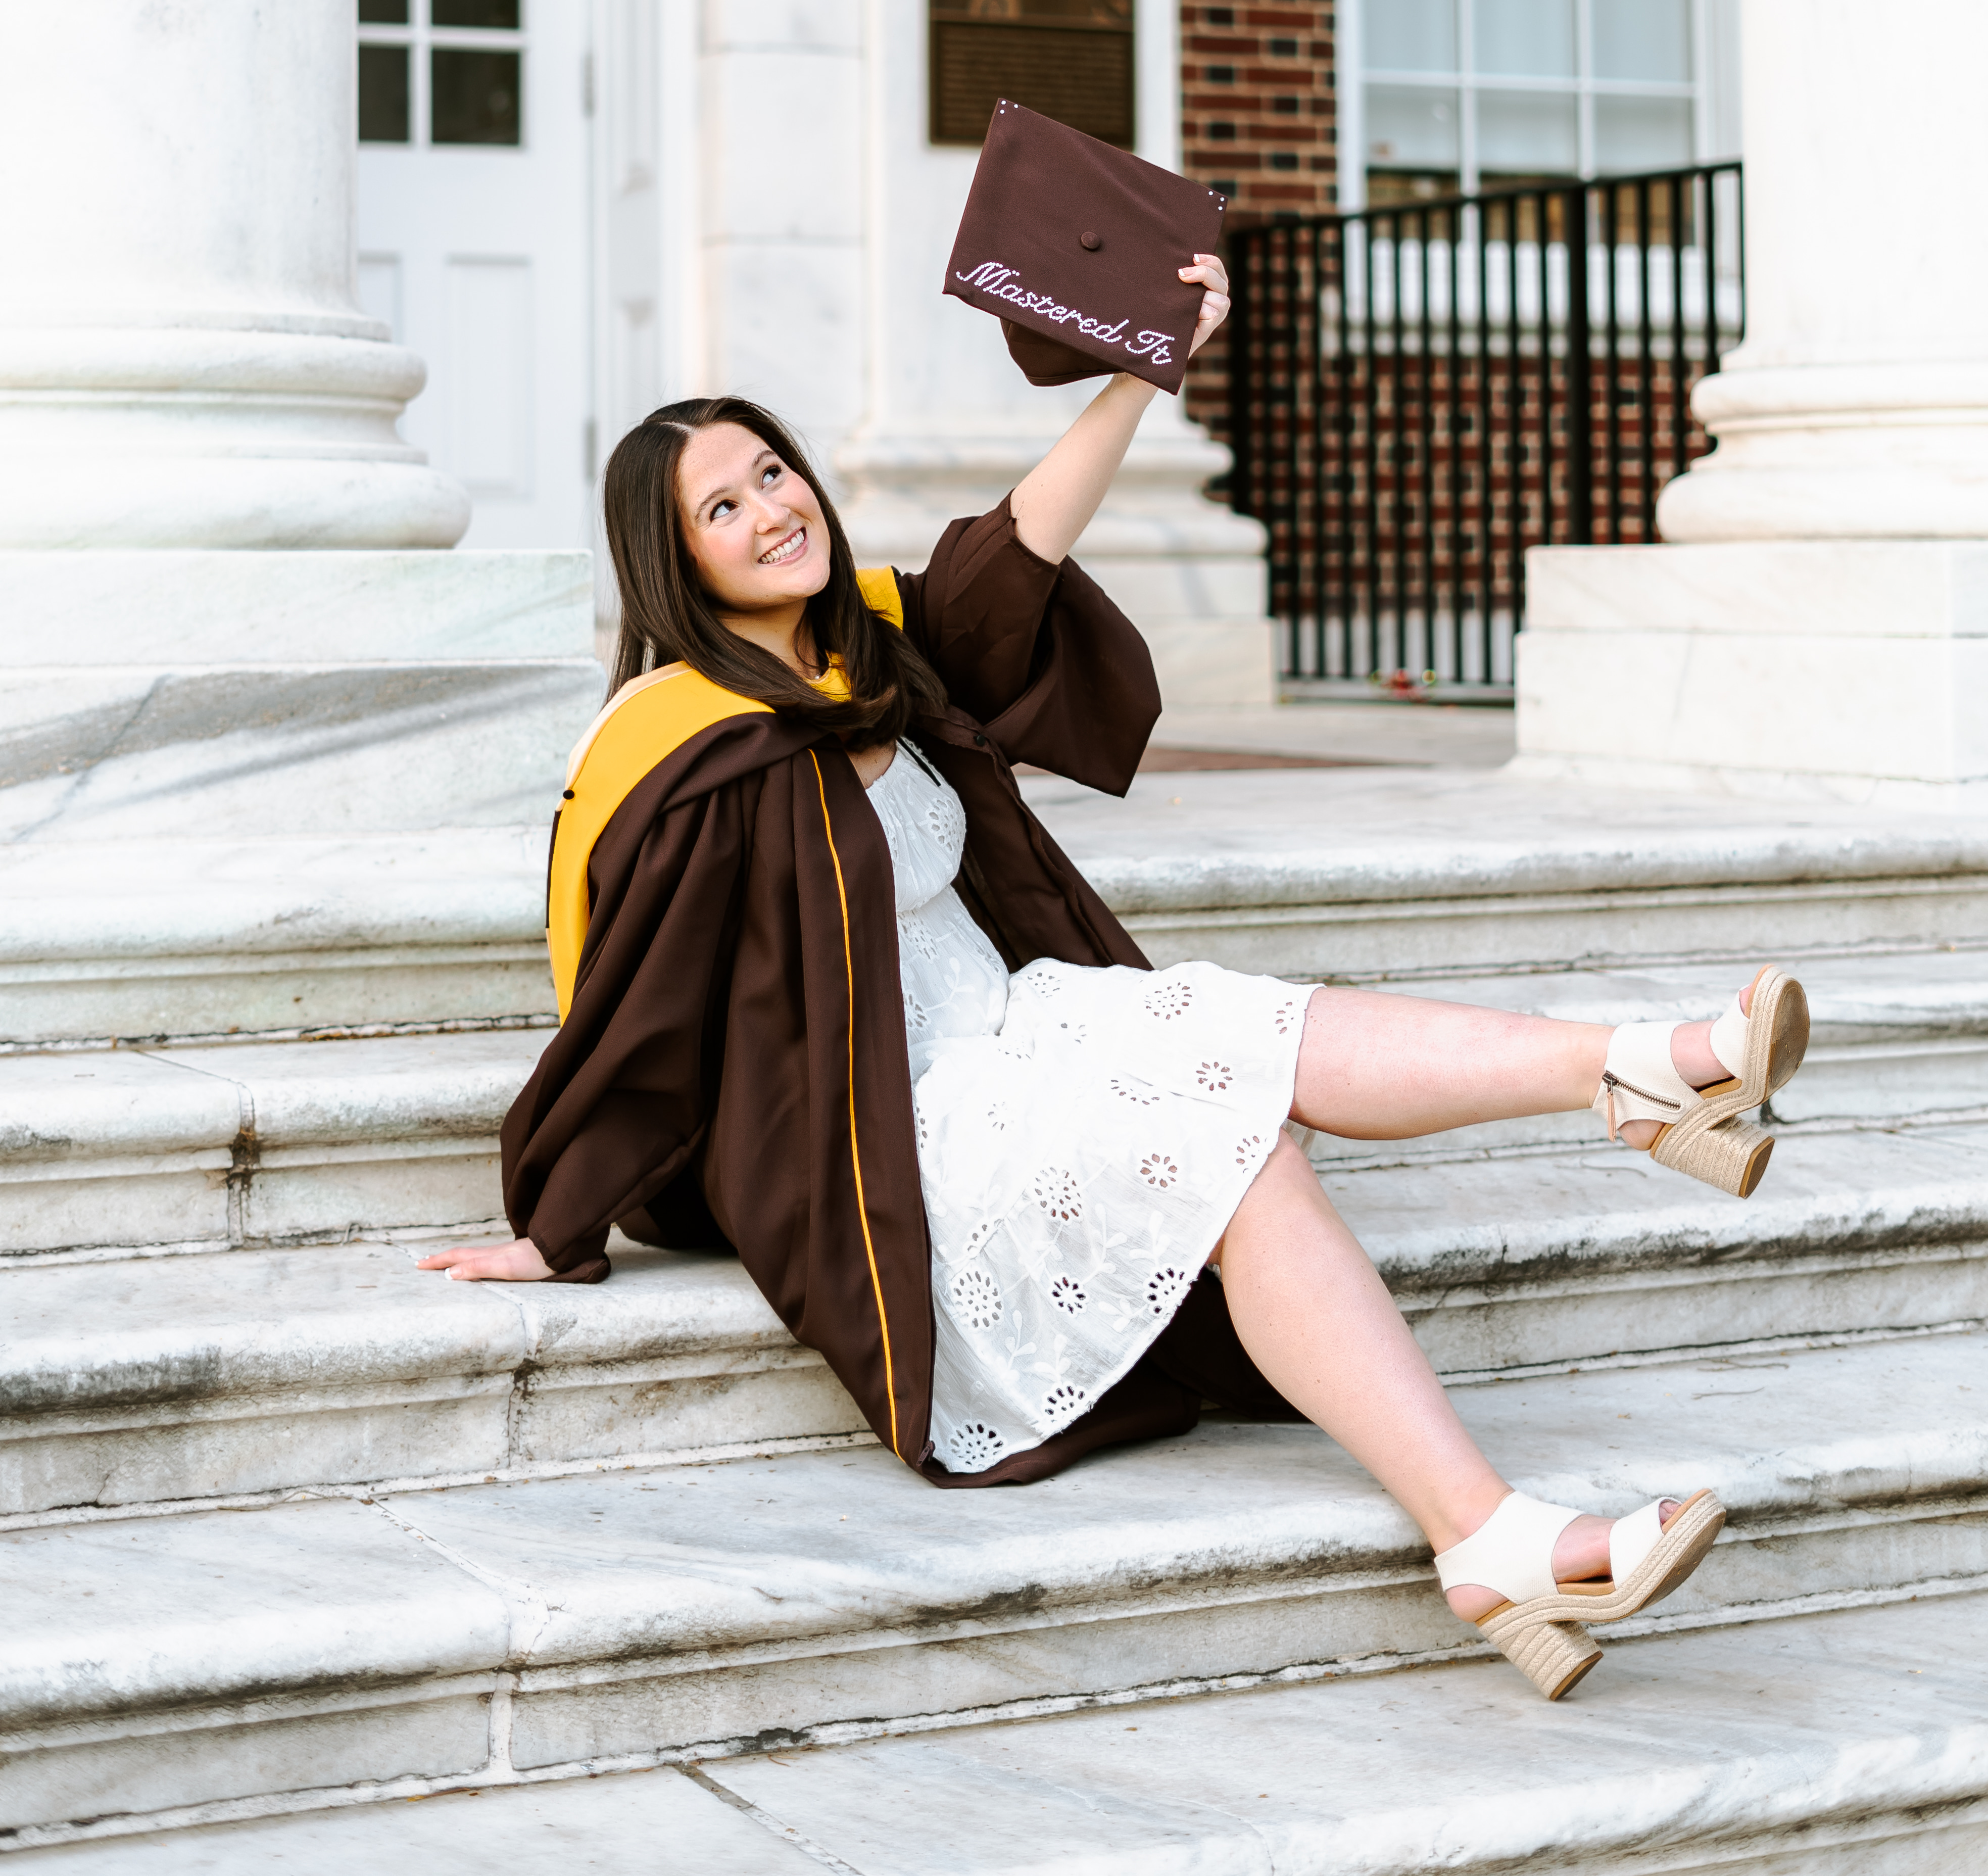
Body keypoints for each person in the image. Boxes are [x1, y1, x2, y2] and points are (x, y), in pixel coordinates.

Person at [422, 251, 1809, 1704]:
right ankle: (1624, 1137)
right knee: (1239, 1128)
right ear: (676, 563)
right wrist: (557, 1216)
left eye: (772, 473)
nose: (771, 511)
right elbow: (638, 1002)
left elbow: (1013, 549)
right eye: (722, 507)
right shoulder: (671, 742)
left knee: (1238, 1044)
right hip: (902, 1133)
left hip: (1026, 1034)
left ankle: (1612, 1154)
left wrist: (1145, 369)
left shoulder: (866, 644)